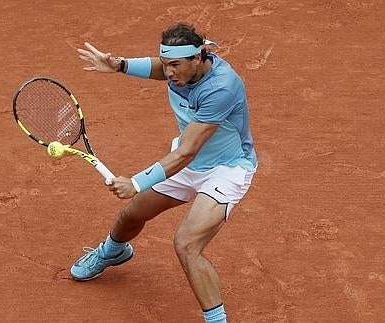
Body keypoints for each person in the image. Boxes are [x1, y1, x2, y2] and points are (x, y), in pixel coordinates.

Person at [70, 22, 257, 323]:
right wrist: (121, 65)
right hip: (186, 164)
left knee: (187, 244)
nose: (169, 73)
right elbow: (160, 67)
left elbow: (187, 151)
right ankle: (112, 251)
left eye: (175, 65)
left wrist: (136, 182)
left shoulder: (222, 87)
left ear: (198, 58)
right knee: (131, 214)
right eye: (166, 63)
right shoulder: (183, 69)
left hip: (226, 170)